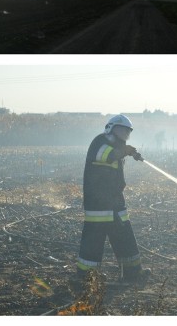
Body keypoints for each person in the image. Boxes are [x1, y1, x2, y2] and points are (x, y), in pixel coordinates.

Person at [75, 115, 149, 288]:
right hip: (98, 205)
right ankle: (86, 279)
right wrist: (125, 151)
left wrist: (126, 151)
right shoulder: (100, 142)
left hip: (115, 203)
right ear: (112, 128)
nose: (126, 133)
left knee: (125, 238)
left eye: (129, 131)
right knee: (93, 243)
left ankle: (132, 273)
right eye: (123, 129)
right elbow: (106, 156)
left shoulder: (118, 146)